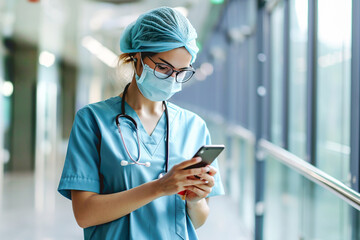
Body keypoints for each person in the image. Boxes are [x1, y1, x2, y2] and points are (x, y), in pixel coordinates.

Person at [58, 6, 224, 240]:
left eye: (181, 72)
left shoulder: (194, 127)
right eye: (163, 68)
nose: (171, 79)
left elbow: (197, 221)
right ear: (137, 58)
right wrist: (160, 187)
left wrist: (195, 201)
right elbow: (85, 214)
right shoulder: (92, 121)